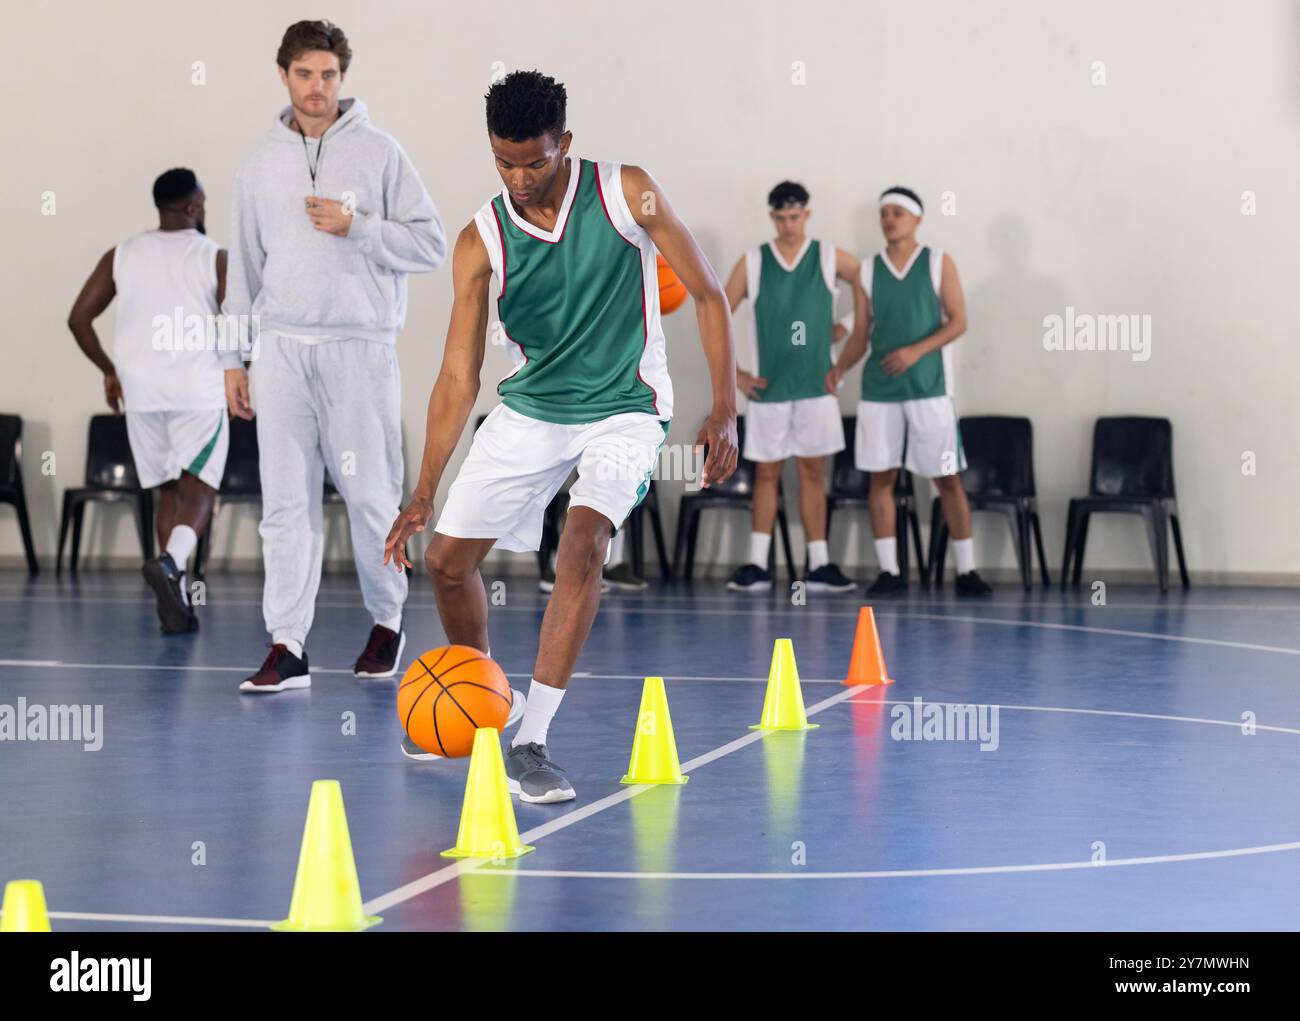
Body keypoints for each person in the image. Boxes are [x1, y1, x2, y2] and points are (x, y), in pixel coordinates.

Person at [383, 70, 738, 804]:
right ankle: (489, 696)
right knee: (446, 563)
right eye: (504, 162)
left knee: (583, 541)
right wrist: (423, 491)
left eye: (535, 162)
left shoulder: (626, 191)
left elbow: (706, 292)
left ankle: (532, 739)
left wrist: (724, 408)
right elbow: (458, 374)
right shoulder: (479, 241)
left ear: (564, 143)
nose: (519, 177)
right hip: (534, 407)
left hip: (625, 405)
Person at [221, 20, 447, 692]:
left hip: (359, 347)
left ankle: (387, 619)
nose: (317, 88)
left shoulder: (380, 153)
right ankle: (287, 645)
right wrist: (235, 358)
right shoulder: (257, 165)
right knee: (285, 504)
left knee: (371, 495)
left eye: (328, 75)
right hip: (281, 350)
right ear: (284, 75)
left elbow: (431, 244)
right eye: (304, 74)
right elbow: (243, 270)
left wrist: (360, 227)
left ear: (342, 78)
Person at [67, 168, 229, 634]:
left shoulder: (122, 254)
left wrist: (109, 370)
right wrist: (242, 373)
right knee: (200, 484)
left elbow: (79, 319)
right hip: (196, 386)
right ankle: (172, 563)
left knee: (167, 489)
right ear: (193, 207)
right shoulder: (213, 256)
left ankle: (173, 600)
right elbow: (240, 322)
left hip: (141, 389)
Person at [830, 186, 992, 597]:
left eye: (898, 212)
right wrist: (839, 368)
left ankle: (967, 571)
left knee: (947, 478)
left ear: (917, 219)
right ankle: (890, 572)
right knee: (880, 479)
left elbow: (959, 321)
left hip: (929, 388)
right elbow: (862, 332)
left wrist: (915, 351)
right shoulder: (867, 271)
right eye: (884, 212)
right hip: (880, 390)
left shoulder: (938, 263)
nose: (889, 219)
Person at [723, 181, 864, 593]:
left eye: (795, 216)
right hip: (769, 389)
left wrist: (848, 325)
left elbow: (872, 284)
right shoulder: (751, 263)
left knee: (812, 474)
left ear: (807, 214)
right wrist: (735, 375)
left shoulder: (826, 256)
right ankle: (757, 564)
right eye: (781, 217)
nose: (788, 224)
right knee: (766, 475)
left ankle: (819, 564)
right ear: (772, 217)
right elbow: (715, 309)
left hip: (817, 388)